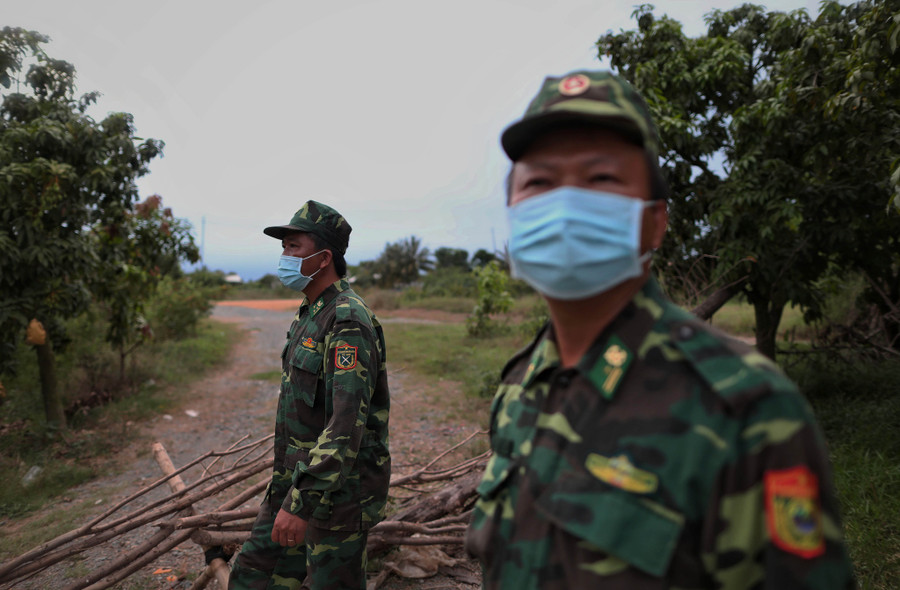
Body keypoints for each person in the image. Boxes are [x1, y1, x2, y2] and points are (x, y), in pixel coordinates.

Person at [464, 70, 855, 589]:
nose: (565, 206)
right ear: (513, 213)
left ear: (654, 222)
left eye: (601, 179)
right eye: (539, 182)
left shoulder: (744, 408)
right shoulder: (521, 381)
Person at [229, 200, 391, 590]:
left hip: (335, 496)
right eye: (283, 246)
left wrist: (301, 503)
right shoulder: (311, 312)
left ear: (323, 258)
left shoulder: (347, 319)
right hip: (294, 481)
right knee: (252, 573)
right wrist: (288, 493)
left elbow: (345, 425)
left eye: (293, 246)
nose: (283, 255)